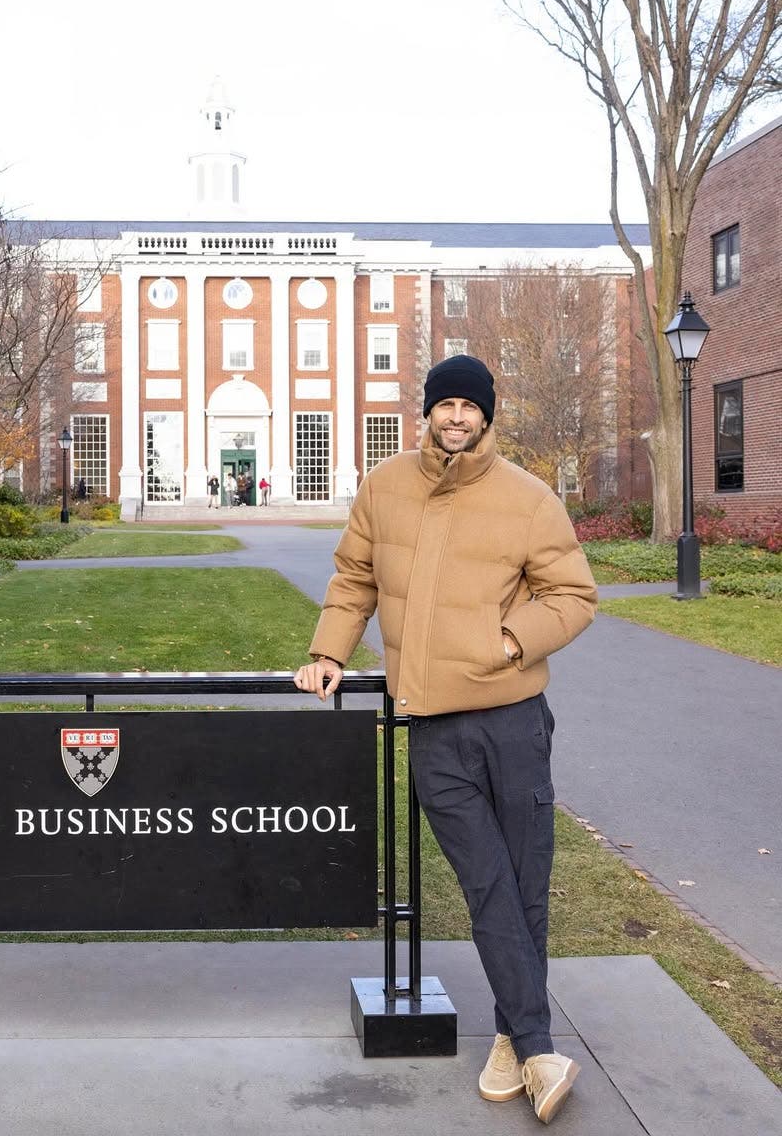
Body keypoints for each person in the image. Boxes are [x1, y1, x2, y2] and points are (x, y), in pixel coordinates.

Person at [294, 354, 596, 1127]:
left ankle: (514, 1041)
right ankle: (539, 1044)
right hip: (433, 728)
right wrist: (329, 651)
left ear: (488, 416)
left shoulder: (528, 499)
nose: (456, 416)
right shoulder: (384, 487)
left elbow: (572, 594)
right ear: (425, 411)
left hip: (513, 723)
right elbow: (354, 577)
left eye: (470, 406)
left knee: (523, 885)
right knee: (486, 882)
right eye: (445, 404)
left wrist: (506, 643)